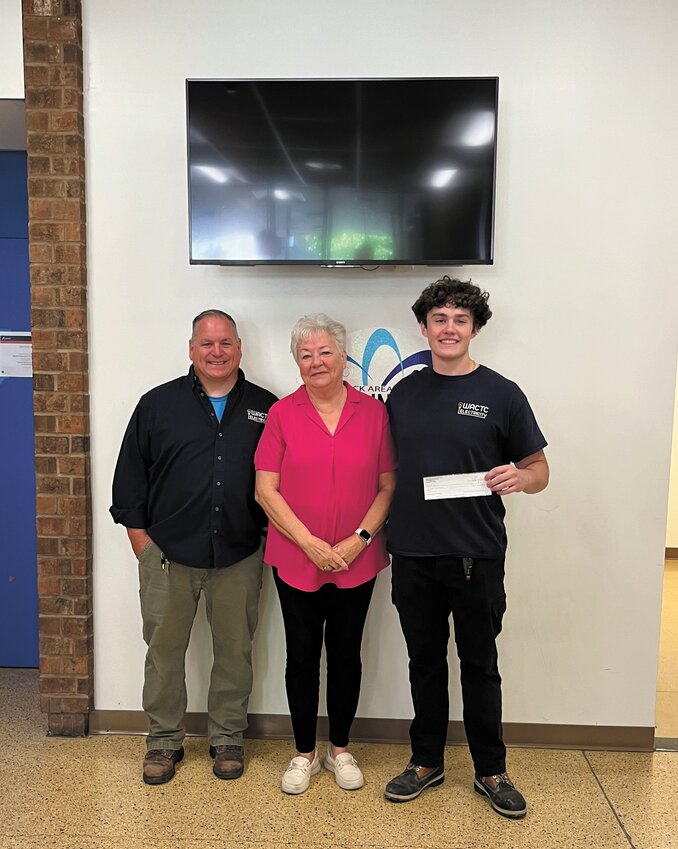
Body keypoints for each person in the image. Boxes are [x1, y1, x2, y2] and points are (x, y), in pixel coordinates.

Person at [384, 277, 549, 818]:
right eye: (439, 319)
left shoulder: (502, 393)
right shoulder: (402, 392)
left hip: (477, 554)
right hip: (411, 553)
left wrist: (518, 479)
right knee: (423, 662)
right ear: (425, 328)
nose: (449, 328)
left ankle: (491, 771)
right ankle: (426, 761)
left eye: (459, 319)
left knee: (480, 664)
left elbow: (539, 470)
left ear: (474, 328)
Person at [110, 310, 277, 785]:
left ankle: (228, 737)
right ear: (191, 349)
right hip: (166, 556)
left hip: (240, 554)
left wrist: (266, 538)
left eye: (225, 342)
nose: (217, 352)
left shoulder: (268, 407)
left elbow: (284, 479)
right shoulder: (157, 405)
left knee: (234, 651)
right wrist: (142, 543)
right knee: (163, 652)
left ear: (239, 348)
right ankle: (163, 741)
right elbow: (129, 481)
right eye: (207, 343)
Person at [254, 313, 396, 795]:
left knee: (346, 655)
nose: (316, 362)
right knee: (301, 656)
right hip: (296, 558)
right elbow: (265, 490)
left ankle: (339, 749)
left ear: (342, 357)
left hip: (357, 559)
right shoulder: (282, 414)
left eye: (324, 352)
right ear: (296, 364)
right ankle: (302, 753)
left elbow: (387, 485)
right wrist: (309, 542)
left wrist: (358, 538)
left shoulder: (374, 413)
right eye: (305, 355)